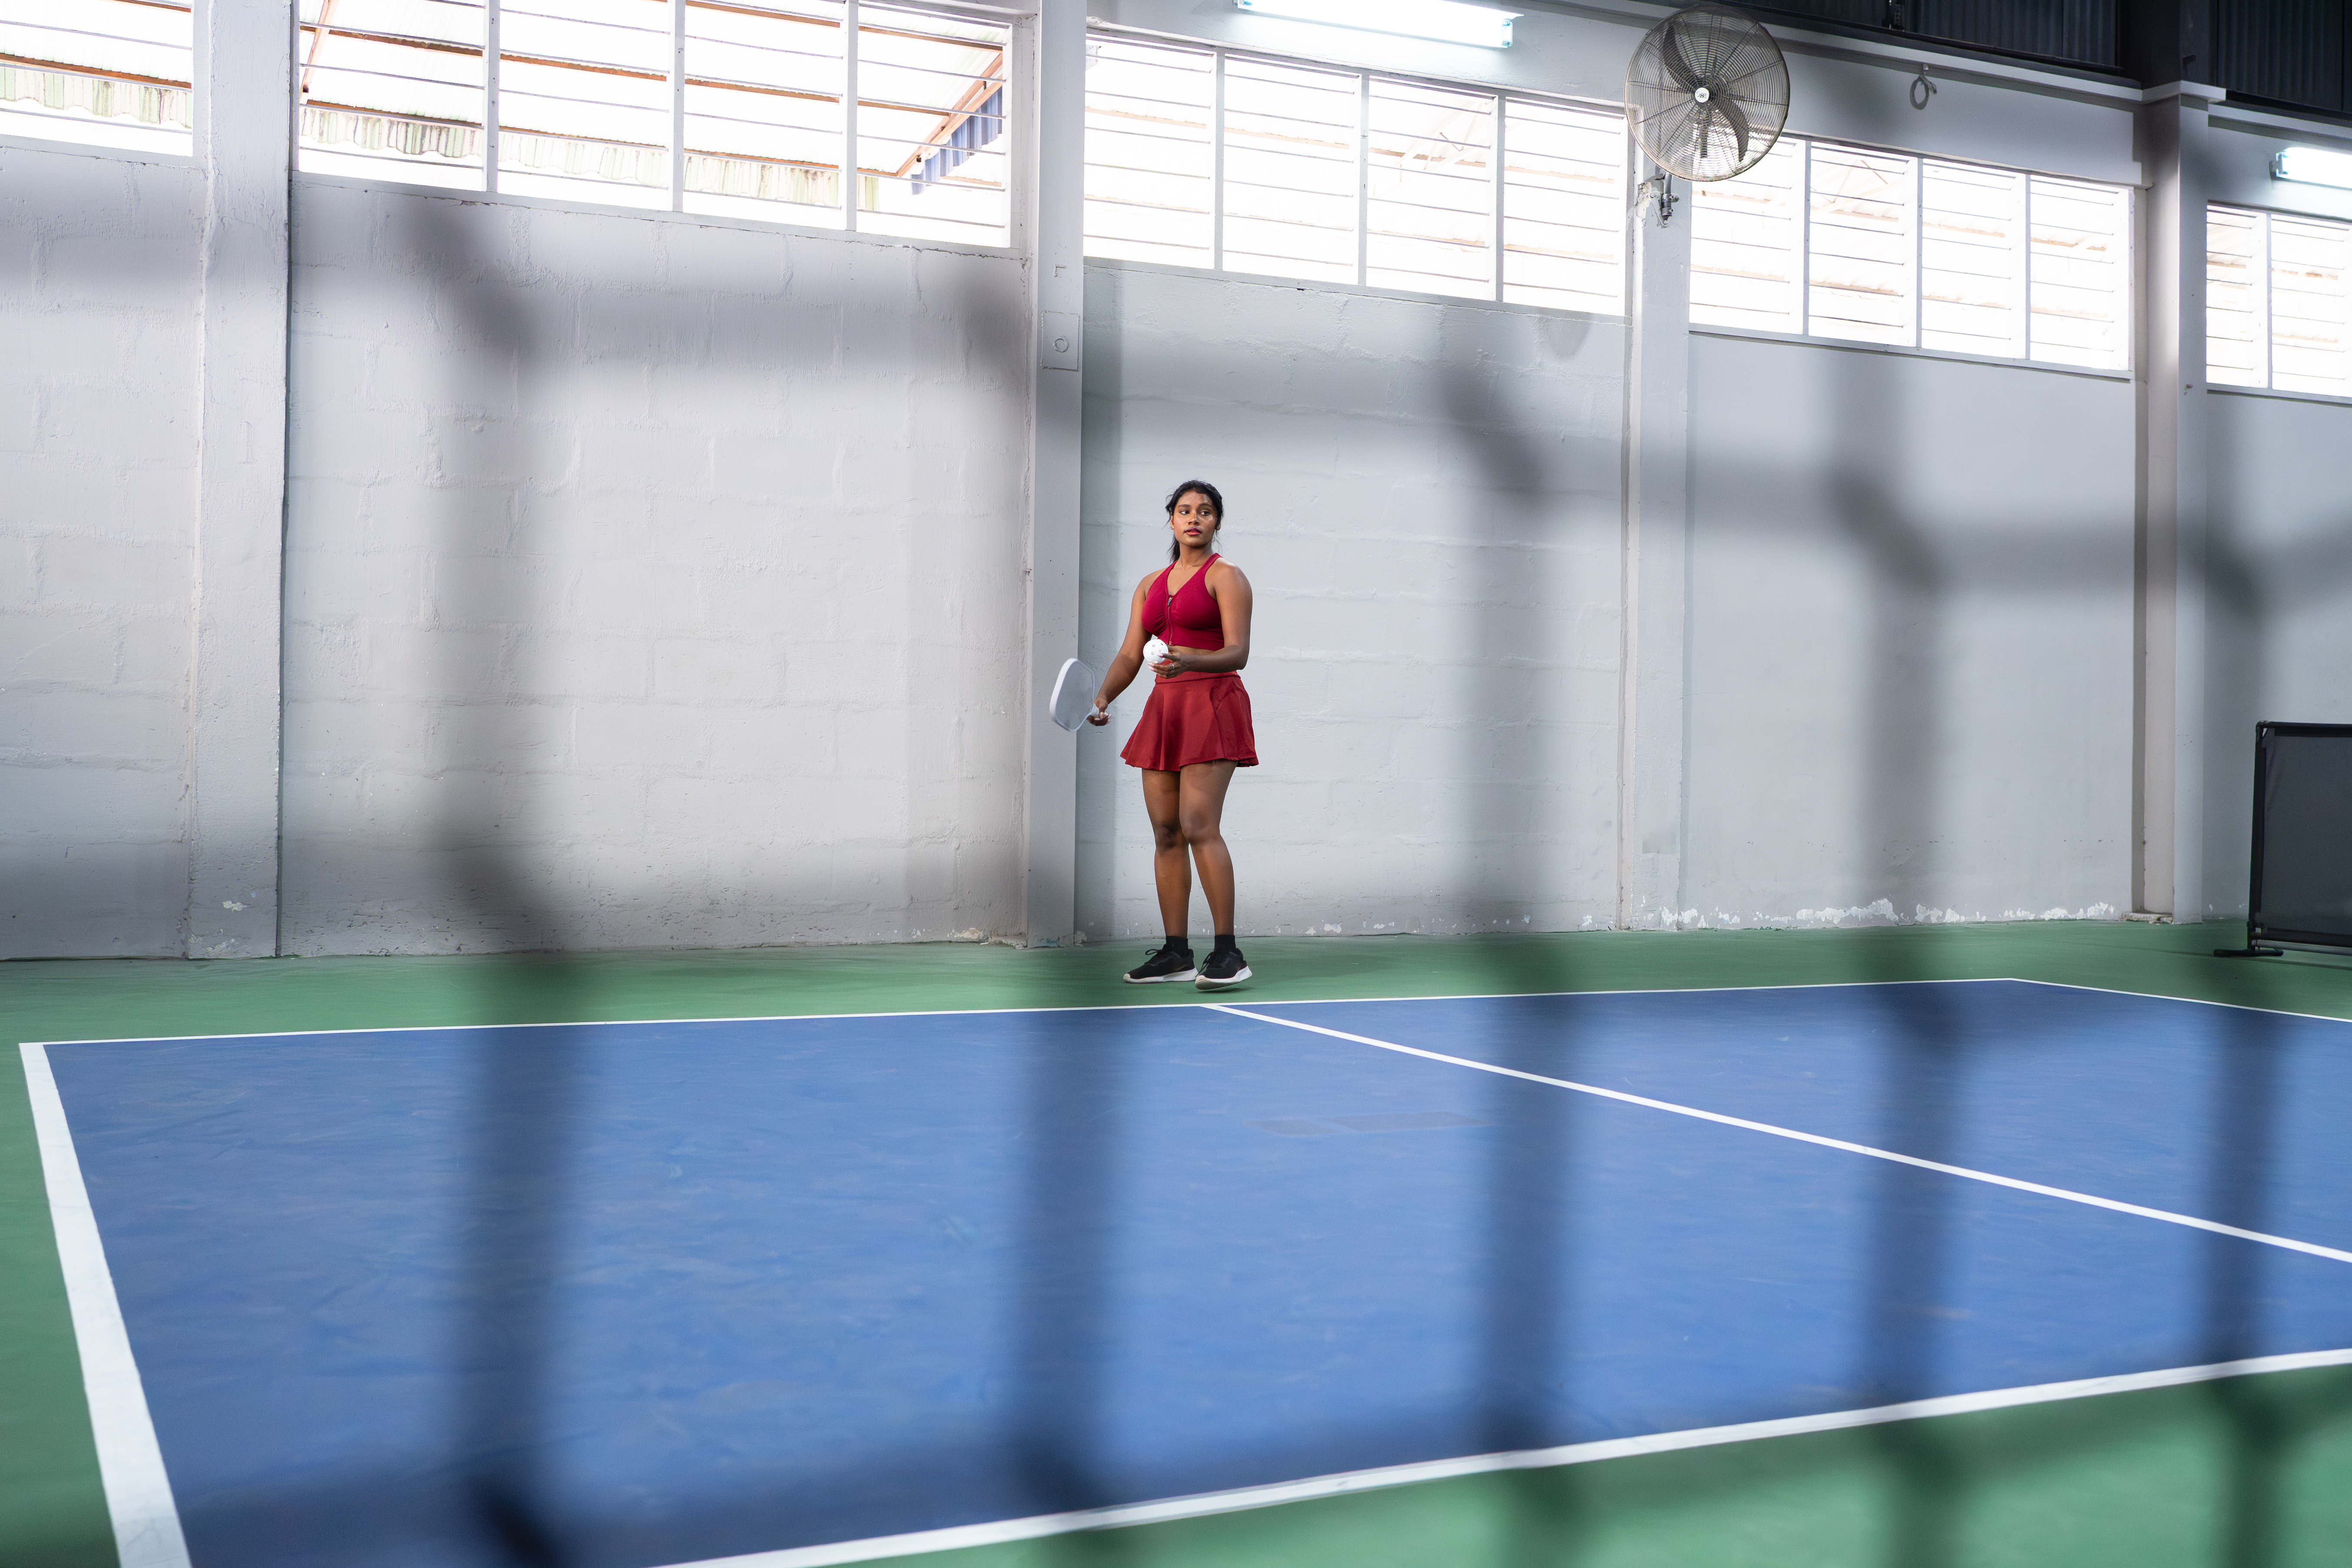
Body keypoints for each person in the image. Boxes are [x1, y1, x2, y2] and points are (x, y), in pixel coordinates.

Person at [1089, 480, 1257, 988]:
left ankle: (1228, 952)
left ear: (1216, 523)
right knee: (1165, 831)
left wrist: (1191, 658)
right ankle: (1175, 952)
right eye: (1184, 511)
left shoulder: (1226, 577)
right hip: (1165, 709)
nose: (1194, 519)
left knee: (1198, 824)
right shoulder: (1150, 584)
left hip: (1212, 701)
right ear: (1171, 521)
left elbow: (1238, 652)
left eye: (1204, 512)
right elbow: (1128, 654)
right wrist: (1102, 698)